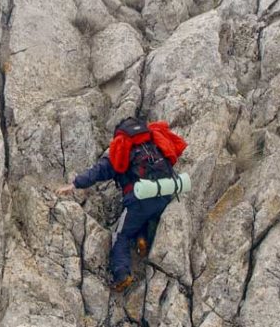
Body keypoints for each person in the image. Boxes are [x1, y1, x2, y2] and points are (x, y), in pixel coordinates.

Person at [56, 117, 187, 291]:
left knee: (121, 235)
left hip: (140, 199)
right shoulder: (154, 143)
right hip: (165, 194)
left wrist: (74, 184)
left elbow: (99, 171)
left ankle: (122, 274)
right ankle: (142, 238)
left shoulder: (121, 148)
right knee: (146, 218)